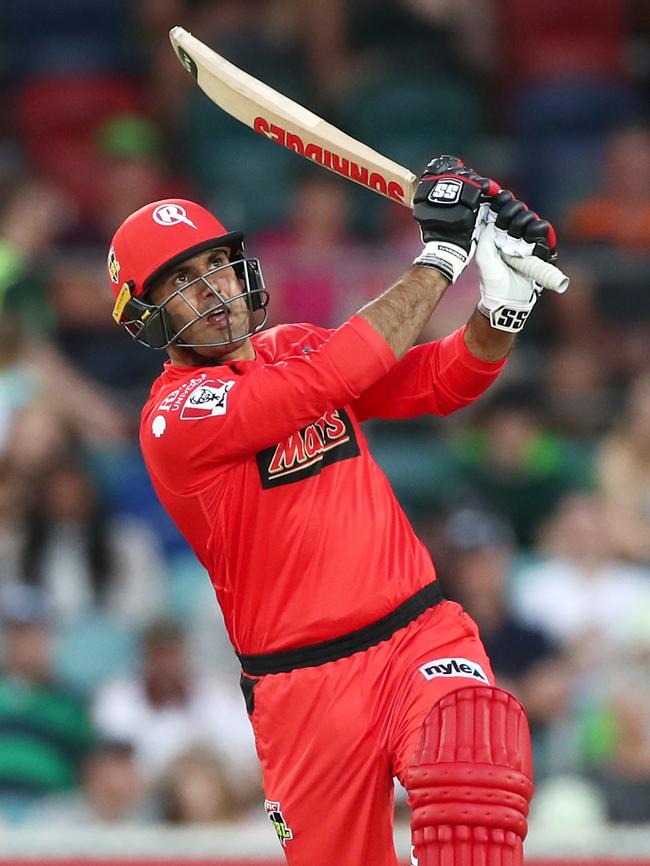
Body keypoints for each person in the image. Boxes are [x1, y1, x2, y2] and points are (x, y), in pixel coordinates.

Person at [106, 156, 561, 866]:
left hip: (417, 635)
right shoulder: (176, 419)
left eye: (219, 266)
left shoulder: (293, 346)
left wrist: (502, 305)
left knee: (470, 760)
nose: (216, 291)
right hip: (303, 689)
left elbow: (444, 381)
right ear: (149, 316)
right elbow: (336, 375)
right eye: (186, 285)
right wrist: (442, 252)